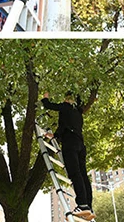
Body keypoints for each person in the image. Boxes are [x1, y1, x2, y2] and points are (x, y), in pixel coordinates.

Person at [42, 91, 94, 220]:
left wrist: (45, 97)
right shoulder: (78, 112)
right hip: (80, 144)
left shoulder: (66, 107)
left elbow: (49, 105)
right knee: (82, 174)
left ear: (68, 99)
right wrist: (55, 135)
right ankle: (88, 206)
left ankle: (82, 205)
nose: (64, 100)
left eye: (66, 98)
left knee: (74, 173)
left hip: (70, 144)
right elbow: (65, 126)